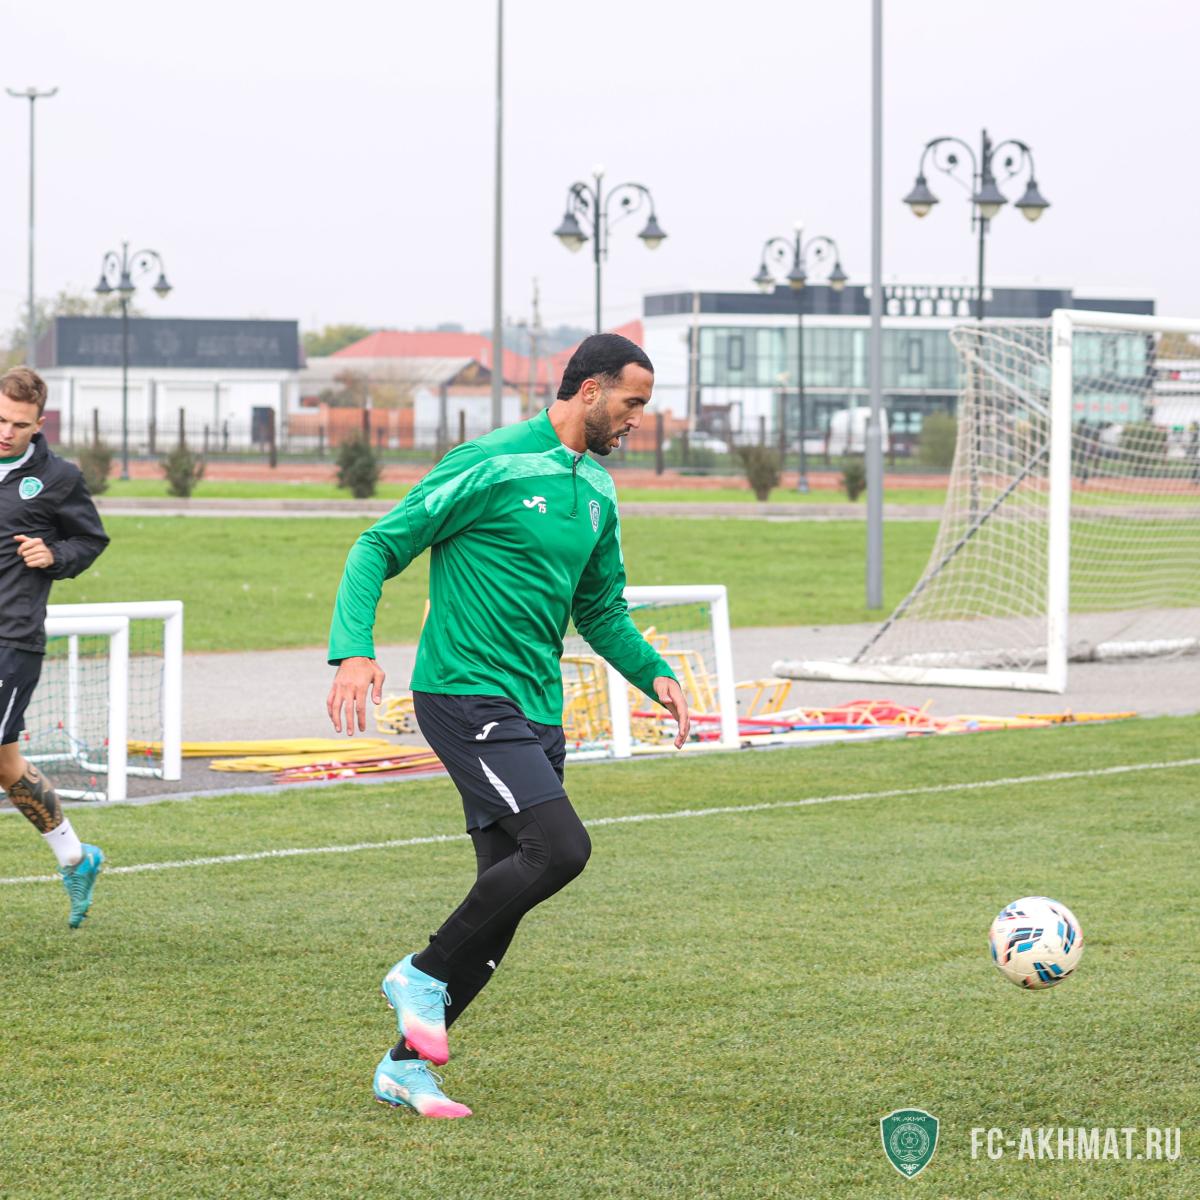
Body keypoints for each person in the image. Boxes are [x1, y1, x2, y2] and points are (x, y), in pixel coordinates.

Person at [326, 333, 690, 1119]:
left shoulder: (598, 489)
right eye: (632, 403)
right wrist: (353, 650)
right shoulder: (489, 462)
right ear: (589, 391)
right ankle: (420, 974)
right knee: (561, 848)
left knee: (504, 898)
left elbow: (600, 608)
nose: (638, 420)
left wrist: (653, 673)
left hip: (536, 709)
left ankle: (404, 1069)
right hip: (465, 692)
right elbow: (378, 544)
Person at [0, 366, 110, 927]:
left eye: (19, 425)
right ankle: (74, 855)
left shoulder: (58, 478)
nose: (6, 432)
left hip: (12, 639)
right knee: (6, 764)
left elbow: (90, 539)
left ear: (39, 424)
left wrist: (55, 555)